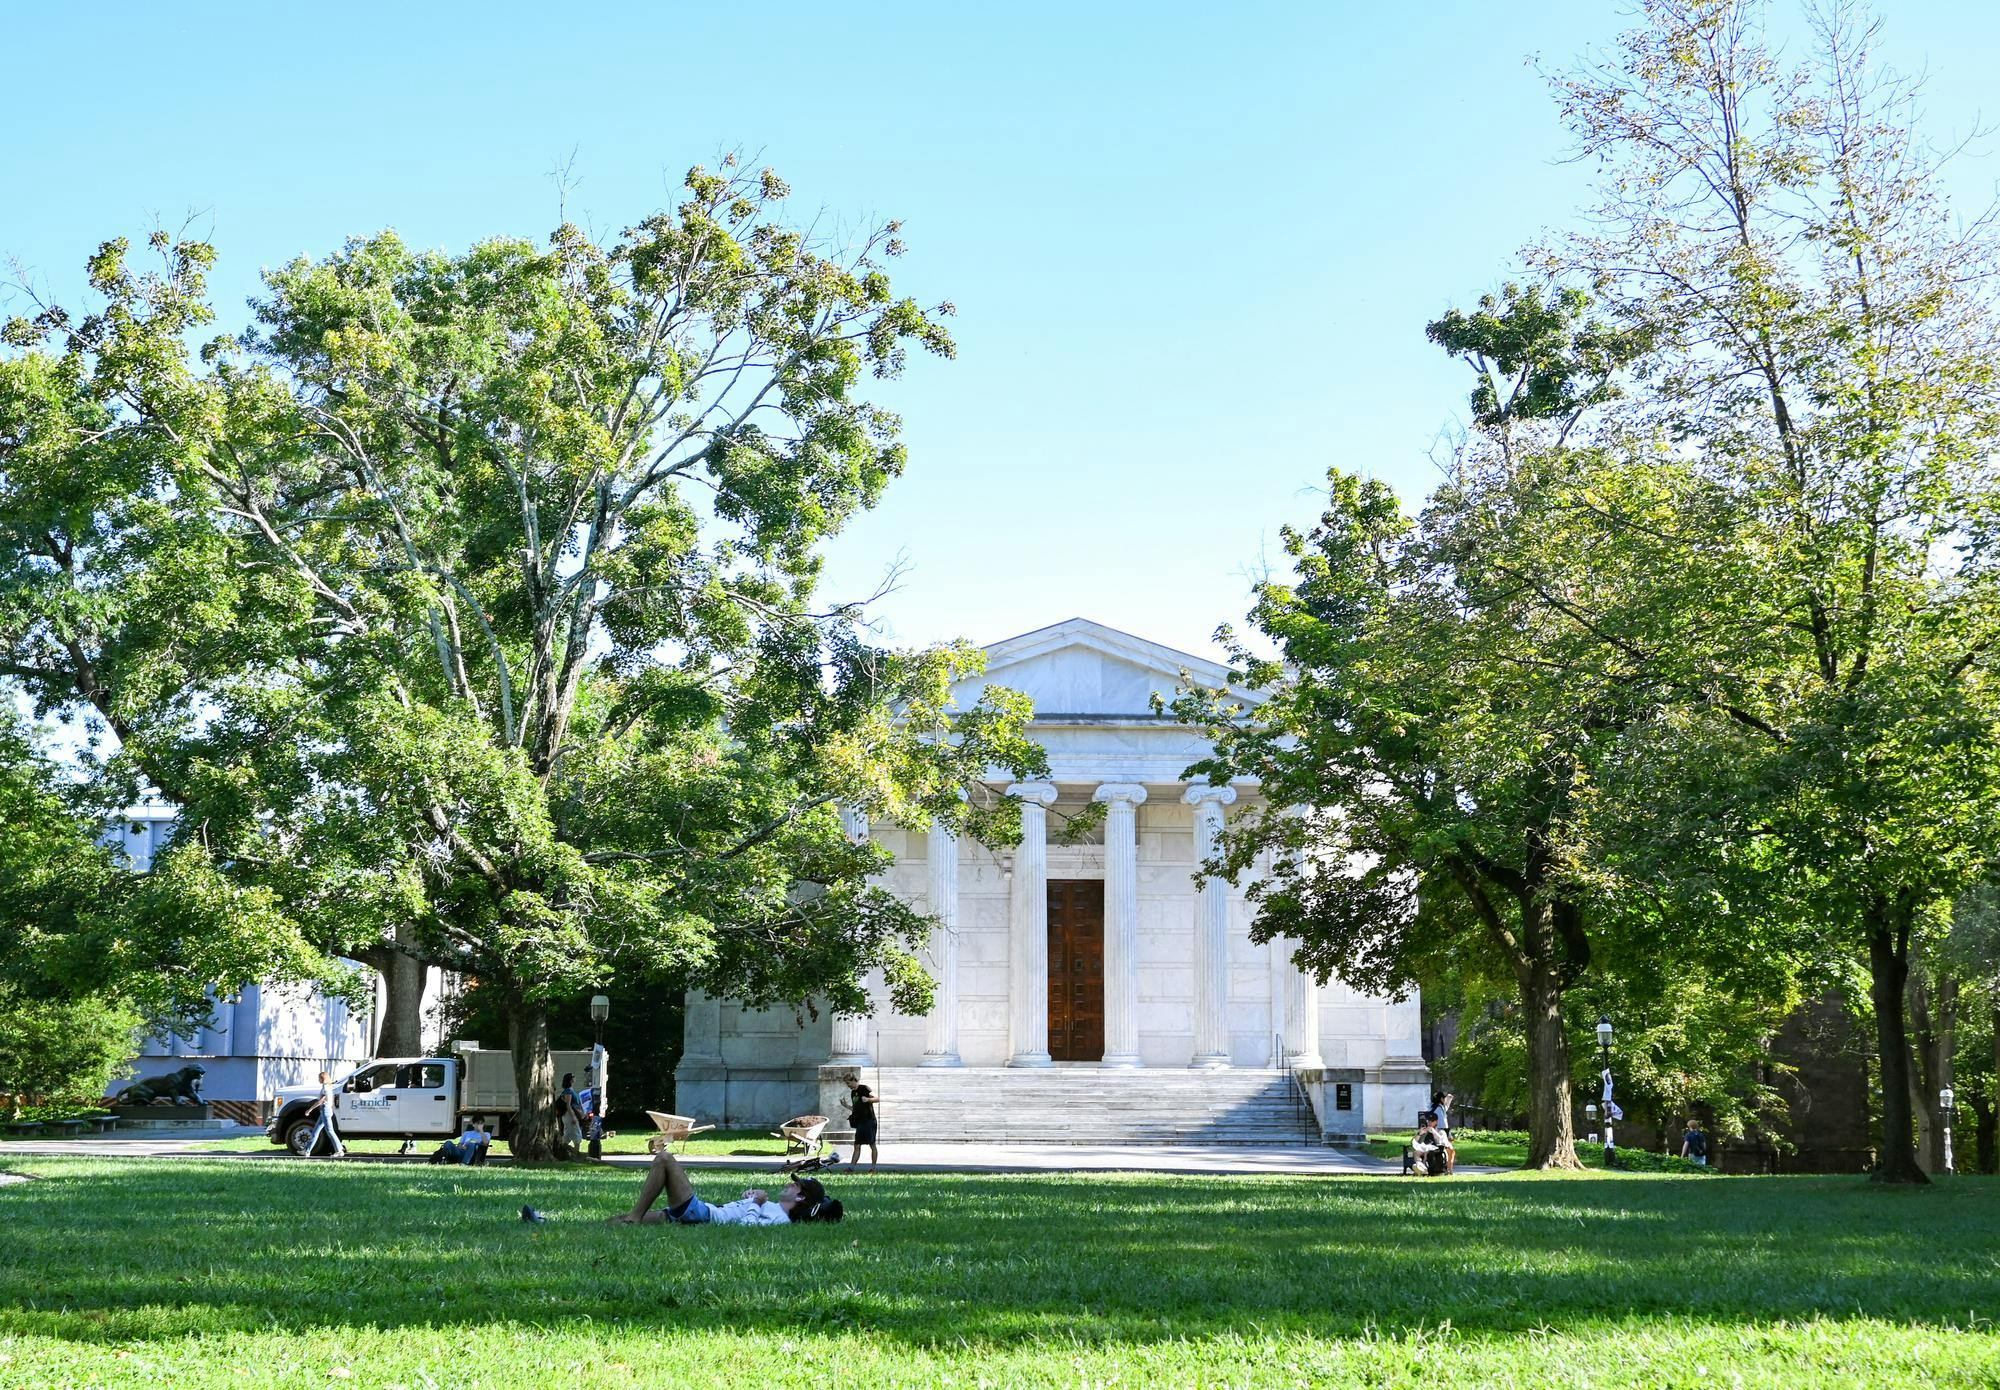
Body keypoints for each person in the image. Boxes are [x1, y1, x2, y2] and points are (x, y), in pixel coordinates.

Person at [611, 1148, 843, 1226]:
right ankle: (631, 1219)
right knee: (615, 1221)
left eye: (795, 1185)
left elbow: (747, 1228)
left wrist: (754, 1203)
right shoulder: (772, 1206)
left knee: (664, 1158)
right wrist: (746, 1199)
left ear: (801, 1198)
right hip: (701, 1215)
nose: (788, 1184)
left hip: (702, 1215)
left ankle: (634, 1218)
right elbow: (742, 1214)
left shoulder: (780, 1219)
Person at [305, 1069, 345, 1159]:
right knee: (315, 1131)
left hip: (325, 1110)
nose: (318, 1079)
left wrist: (310, 1109)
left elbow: (321, 1101)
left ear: (322, 1078)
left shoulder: (326, 1088)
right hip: (326, 1110)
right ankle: (307, 1150)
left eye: (319, 1078)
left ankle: (339, 1150)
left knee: (330, 1131)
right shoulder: (328, 1087)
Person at [847, 1083, 880, 1169]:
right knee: (857, 1145)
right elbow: (855, 1109)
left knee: (872, 1144)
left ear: (853, 1080)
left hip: (869, 1121)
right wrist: (845, 1105)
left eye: (848, 1082)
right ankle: (851, 1168)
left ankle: (873, 1168)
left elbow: (877, 1099)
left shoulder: (864, 1088)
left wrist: (868, 1099)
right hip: (860, 1122)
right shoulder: (853, 1093)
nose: (847, 1085)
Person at [1431, 1090, 1457, 1175]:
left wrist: (1449, 1098)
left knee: (1451, 1151)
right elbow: (1439, 1125)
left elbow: (1446, 1106)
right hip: (1441, 1132)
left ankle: (1449, 1170)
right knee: (1450, 1150)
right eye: (1444, 1098)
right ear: (1442, 1099)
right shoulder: (1436, 1109)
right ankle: (1448, 1170)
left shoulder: (1438, 1107)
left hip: (1444, 1132)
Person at [556, 1073, 582, 1153]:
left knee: (568, 1135)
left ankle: (562, 1151)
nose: (575, 1078)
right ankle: (576, 1153)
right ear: (570, 1080)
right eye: (573, 1077)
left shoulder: (571, 1090)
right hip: (569, 1115)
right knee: (576, 1134)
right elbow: (568, 1105)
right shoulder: (568, 1091)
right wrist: (573, 1117)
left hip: (569, 1115)